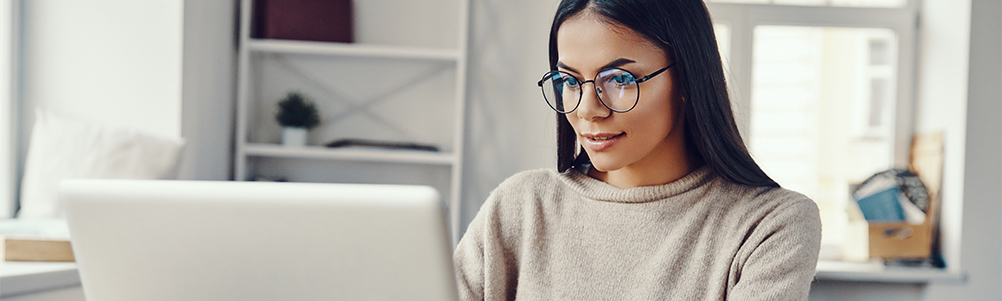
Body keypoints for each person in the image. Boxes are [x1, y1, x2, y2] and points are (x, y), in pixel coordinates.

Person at [453, 0, 822, 300]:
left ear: (687, 78)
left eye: (618, 80)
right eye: (568, 80)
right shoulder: (519, 206)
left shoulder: (769, 226)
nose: (587, 110)